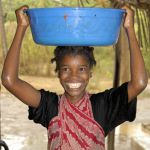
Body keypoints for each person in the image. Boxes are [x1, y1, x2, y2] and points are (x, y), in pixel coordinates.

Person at [1, 5, 148, 150]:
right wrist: (21, 27)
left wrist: (129, 29)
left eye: (81, 69)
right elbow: (9, 80)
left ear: (90, 73)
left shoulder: (102, 106)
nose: (74, 76)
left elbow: (139, 83)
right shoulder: (51, 106)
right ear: (58, 72)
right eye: (66, 69)